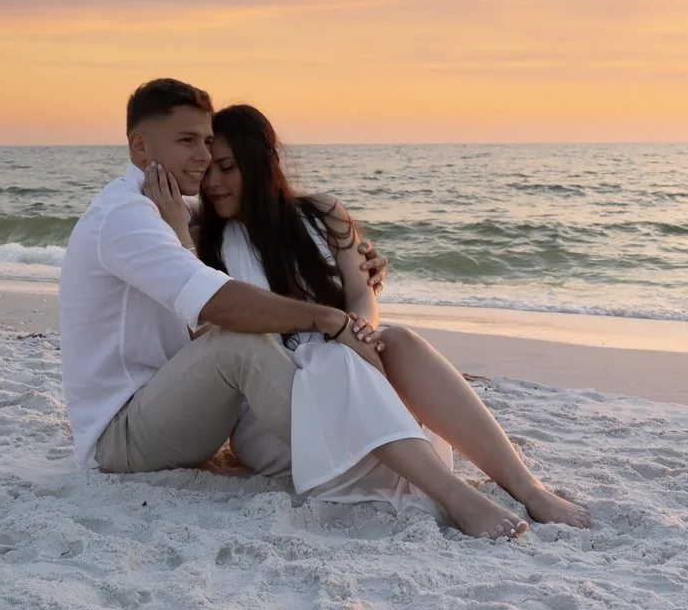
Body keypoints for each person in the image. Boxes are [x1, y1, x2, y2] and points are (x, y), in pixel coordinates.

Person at [192, 103, 592, 538]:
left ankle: (527, 486)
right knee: (333, 362)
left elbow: (360, 291)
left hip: (344, 364)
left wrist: (359, 331)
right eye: (207, 170)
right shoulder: (203, 237)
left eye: (227, 168)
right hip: (272, 407)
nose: (212, 182)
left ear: (259, 162)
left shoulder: (322, 214)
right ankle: (458, 499)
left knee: (396, 339)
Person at [60, 79, 384, 485]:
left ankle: (383, 443)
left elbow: (255, 207)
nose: (203, 157)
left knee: (399, 344)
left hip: (171, 404)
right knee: (238, 343)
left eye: (208, 142)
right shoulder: (126, 217)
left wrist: (351, 254)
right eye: (187, 141)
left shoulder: (167, 203)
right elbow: (217, 304)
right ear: (140, 147)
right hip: (121, 436)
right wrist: (328, 319)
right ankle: (362, 457)